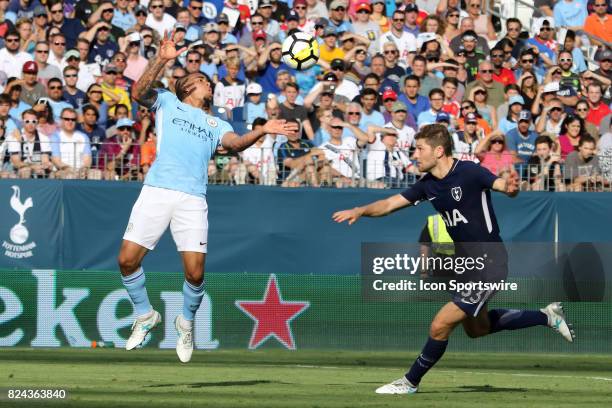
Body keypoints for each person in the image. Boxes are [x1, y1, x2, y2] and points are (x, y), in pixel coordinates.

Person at [332, 124, 574, 395]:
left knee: (440, 324)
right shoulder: (428, 185)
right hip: (467, 266)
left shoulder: (469, 171)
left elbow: (501, 185)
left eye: (419, 149)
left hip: (489, 262)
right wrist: (360, 209)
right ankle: (545, 316)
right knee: (477, 329)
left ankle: (410, 381)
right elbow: (388, 205)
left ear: (438, 150)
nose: (415, 154)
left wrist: (510, 187)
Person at [117, 31, 297, 363]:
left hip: (192, 199)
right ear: (187, 88)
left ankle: (185, 324)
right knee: (127, 261)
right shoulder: (167, 102)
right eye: (202, 80)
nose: (208, 84)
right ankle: (145, 316)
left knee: (196, 273)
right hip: (157, 190)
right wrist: (162, 59)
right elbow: (138, 91)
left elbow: (235, 145)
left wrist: (262, 130)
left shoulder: (216, 123)